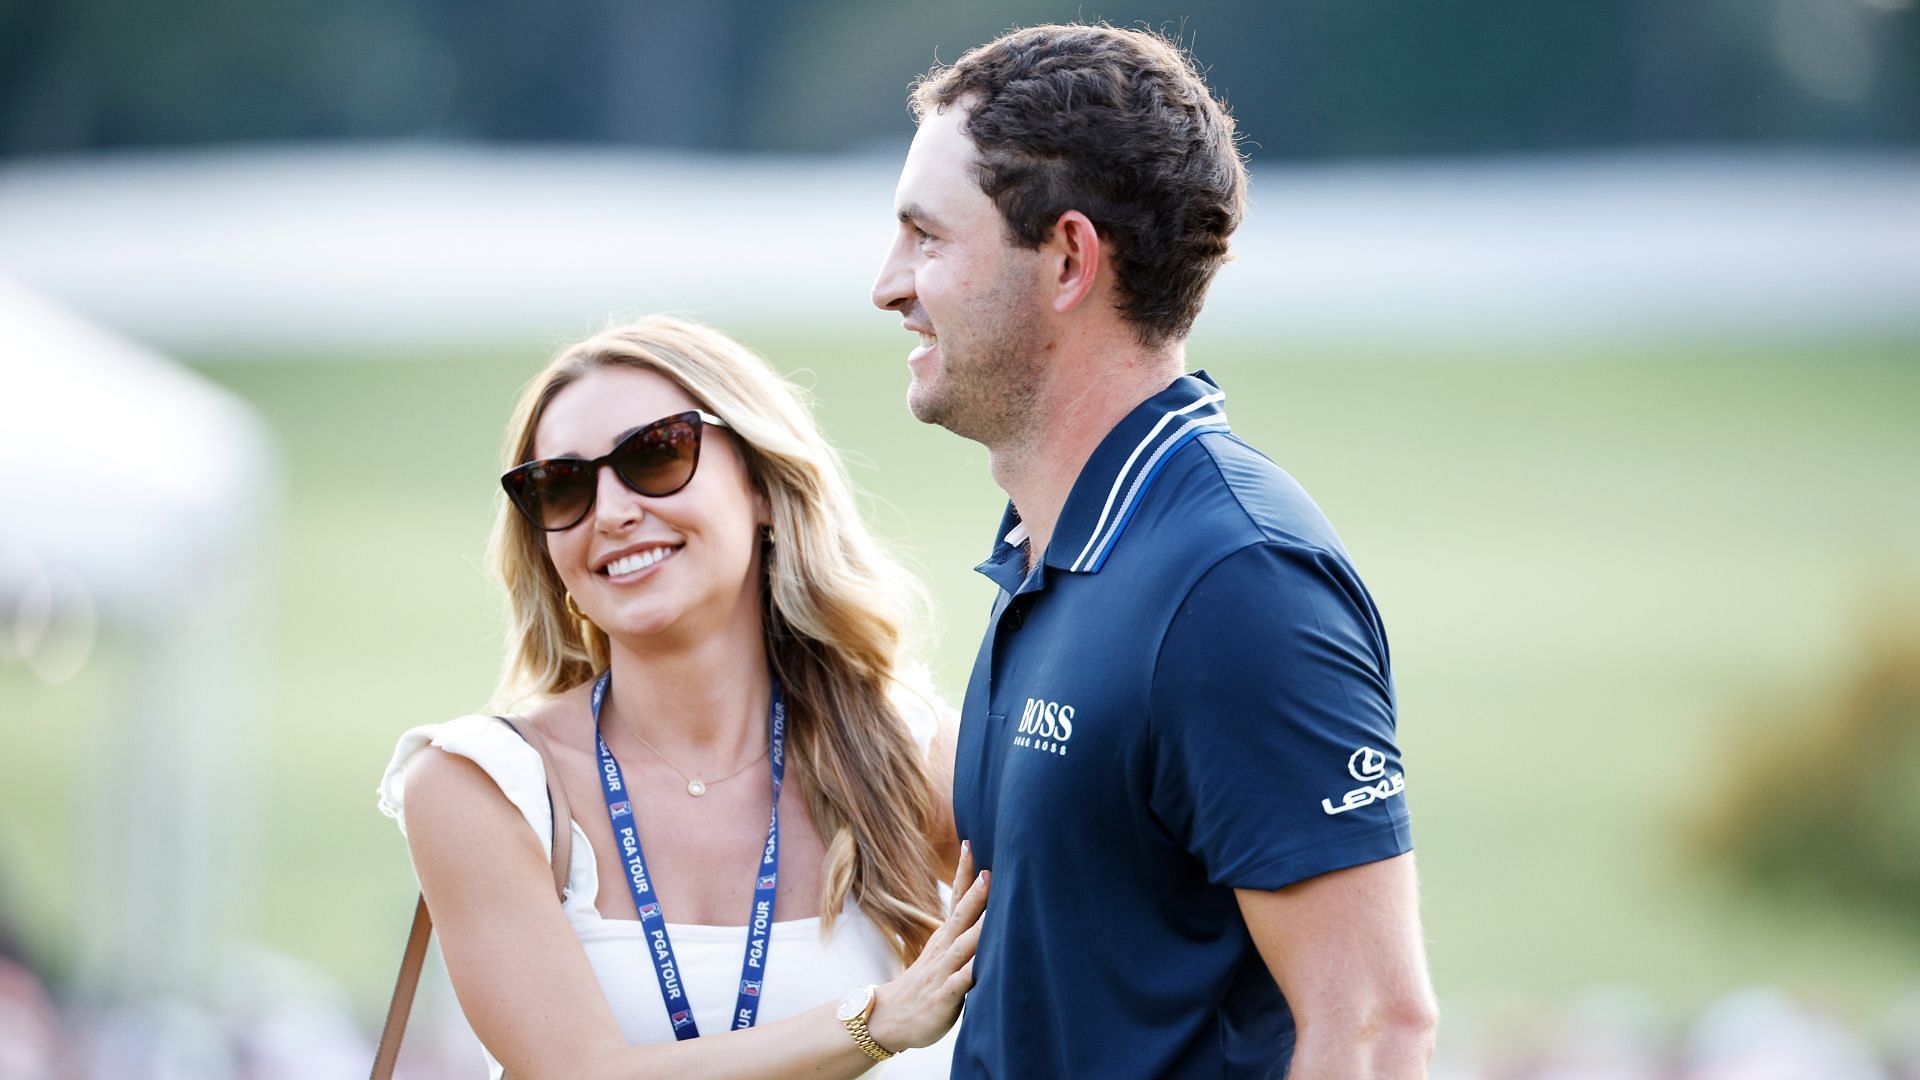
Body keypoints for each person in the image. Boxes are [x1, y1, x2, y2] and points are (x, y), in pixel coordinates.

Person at [871, 23, 1438, 1079]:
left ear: (1072, 261)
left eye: (927, 238)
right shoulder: (1061, 549)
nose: (887, 283)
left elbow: (1370, 1027)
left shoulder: (1238, 581)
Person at [379, 316, 984, 1078]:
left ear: (763, 485)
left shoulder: (909, 753)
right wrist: (874, 1022)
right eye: (561, 485)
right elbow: (579, 1073)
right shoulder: (482, 785)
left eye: (656, 454)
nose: (612, 511)